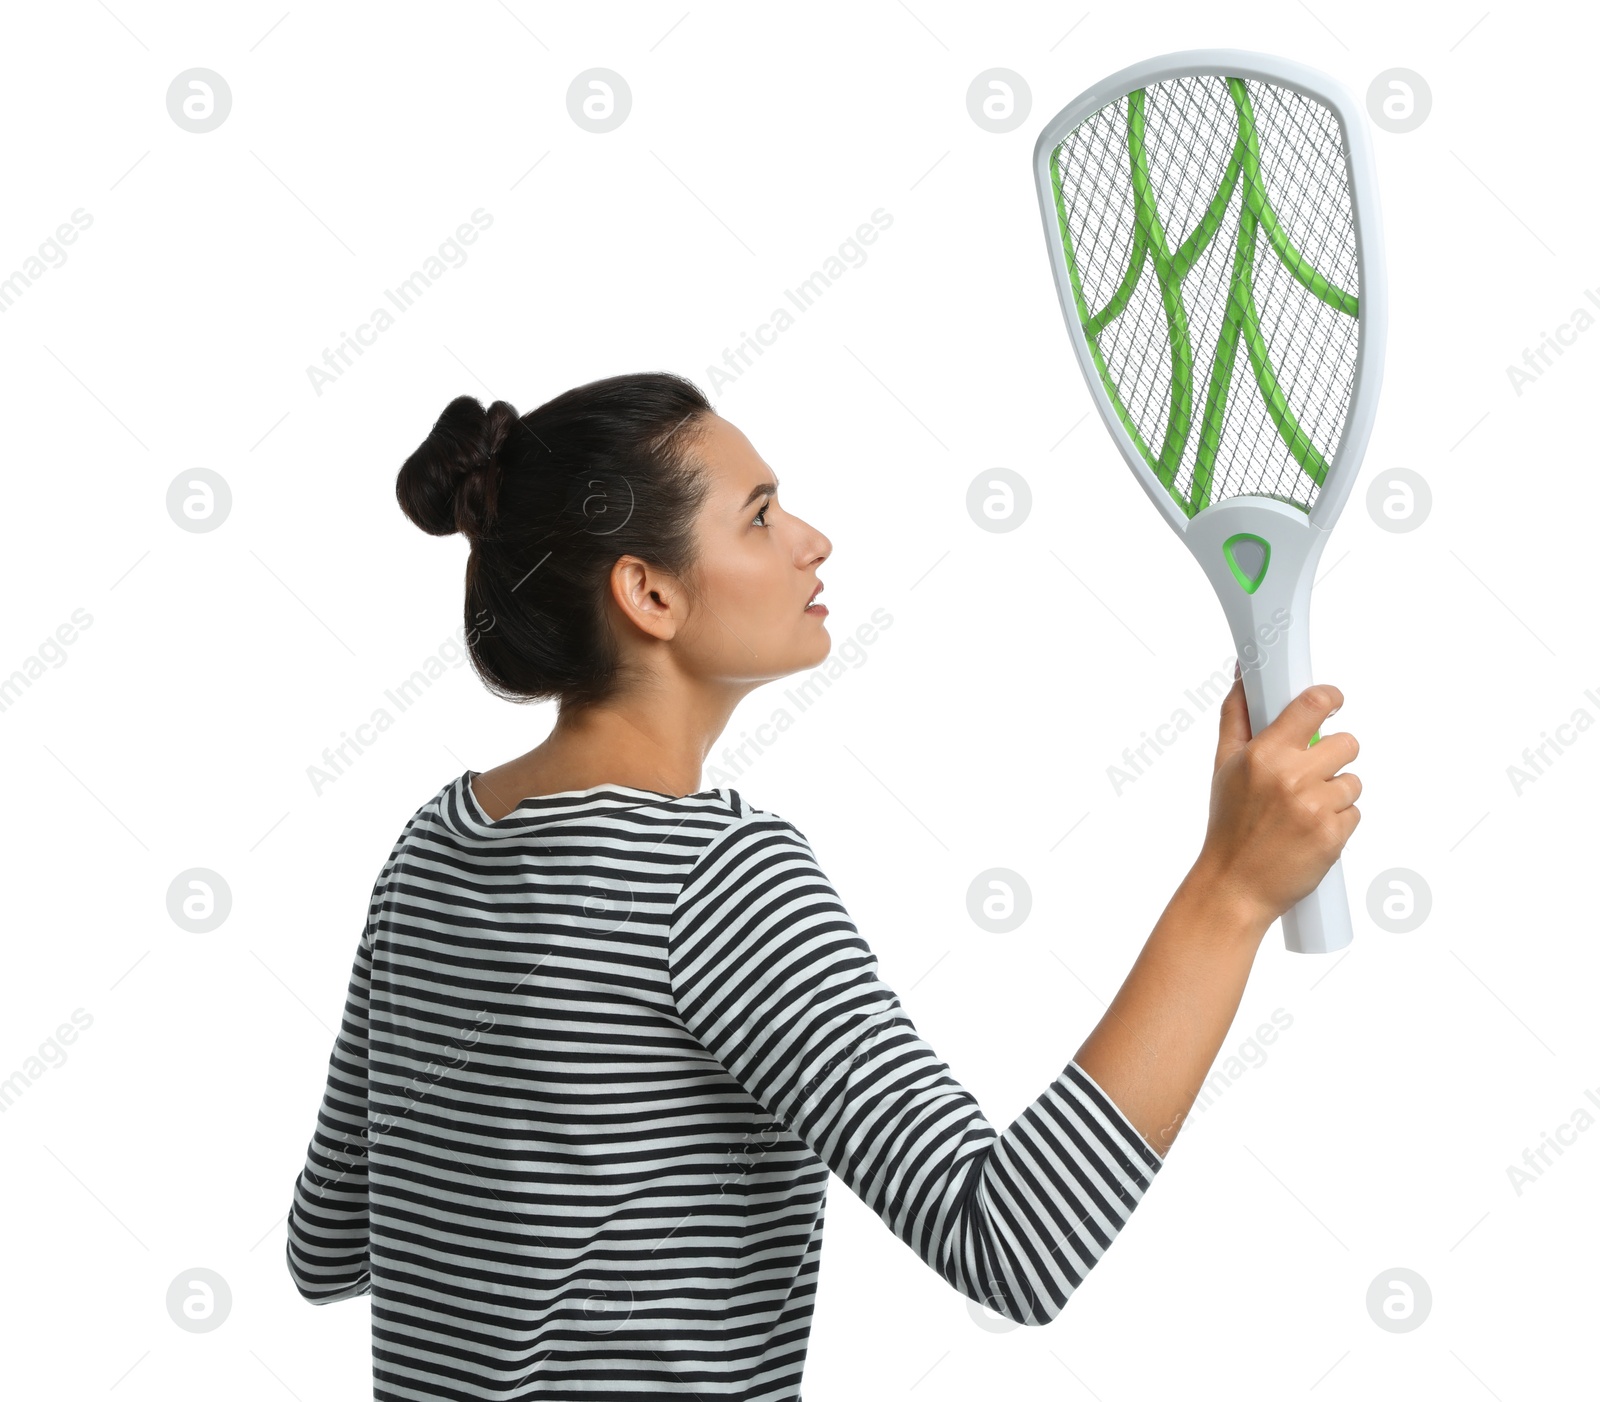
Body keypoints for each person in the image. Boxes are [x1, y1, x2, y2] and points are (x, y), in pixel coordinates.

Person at [285, 372, 1361, 1400]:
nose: (811, 541)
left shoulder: (432, 849)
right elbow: (1014, 1243)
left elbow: (326, 1245)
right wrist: (1228, 894)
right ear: (648, 592)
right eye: (759, 516)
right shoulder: (713, 879)